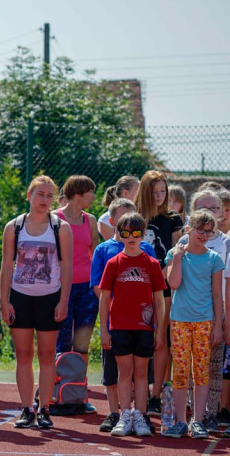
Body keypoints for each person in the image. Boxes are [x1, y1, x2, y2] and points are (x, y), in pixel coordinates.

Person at [0, 176, 72, 429]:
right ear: (29, 195)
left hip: (50, 296)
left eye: (49, 195)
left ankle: (44, 408)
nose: (45, 200)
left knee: (46, 354)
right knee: (23, 354)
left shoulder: (60, 228)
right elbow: (6, 265)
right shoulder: (14, 227)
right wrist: (4, 301)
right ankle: (26, 408)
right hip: (20, 296)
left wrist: (63, 300)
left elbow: (66, 267)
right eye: (40, 194)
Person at [90, 198, 158, 432]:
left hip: (144, 326)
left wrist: (158, 325)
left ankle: (140, 416)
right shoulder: (110, 259)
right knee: (122, 372)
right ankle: (122, 416)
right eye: (126, 231)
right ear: (116, 229)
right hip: (118, 324)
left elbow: (158, 296)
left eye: (136, 232)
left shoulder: (150, 259)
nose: (131, 236)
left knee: (140, 373)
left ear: (143, 234)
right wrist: (105, 328)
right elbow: (103, 294)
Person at [163, 210, 223, 439]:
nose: (205, 235)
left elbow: (217, 295)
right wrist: (177, 257)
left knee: (201, 371)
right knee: (180, 370)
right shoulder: (174, 254)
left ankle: (197, 420)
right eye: (201, 229)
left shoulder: (214, 259)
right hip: (179, 321)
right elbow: (174, 283)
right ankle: (180, 420)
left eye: (209, 231)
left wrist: (218, 325)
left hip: (204, 322)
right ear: (189, 229)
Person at [134, 170, 183, 412]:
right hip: (135, 287)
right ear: (146, 192)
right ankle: (136, 390)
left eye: (163, 191)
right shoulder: (134, 218)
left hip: (162, 287)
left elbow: (174, 254)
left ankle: (156, 395)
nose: (161, 196)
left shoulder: (173, 219)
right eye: (155, 192)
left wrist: (162, 277)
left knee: (161, 339)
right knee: (137, 338)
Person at [55, 175, 99, 362]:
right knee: (61, 340)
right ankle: (58, 382)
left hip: (87, 288)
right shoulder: (55, 218)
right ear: (77, 193)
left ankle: (78, 384)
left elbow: (95, 255)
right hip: (60, 287)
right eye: (90, 192)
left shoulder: (90, 220)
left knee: (82, 341)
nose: (93, 197)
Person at [97, 176, 140, 240]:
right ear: (125, 193)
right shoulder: (104, 220)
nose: (141, 194)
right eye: (138, 191)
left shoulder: (143, 212)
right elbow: (115, 246)